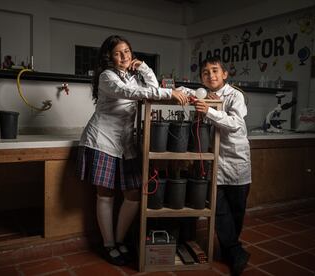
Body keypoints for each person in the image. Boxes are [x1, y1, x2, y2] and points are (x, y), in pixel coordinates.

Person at [77, 35, 188, 266]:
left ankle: (119, 239)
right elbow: (133, 94)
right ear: (109, 57)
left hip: (126, 143)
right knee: (105, 195)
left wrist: (145, 68)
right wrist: (170, 94)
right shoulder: (107, 77)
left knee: (134, 195)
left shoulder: (133, 76)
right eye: (118, 53)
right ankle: (109, 245)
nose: (124, 56)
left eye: (127, 51)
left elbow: (152, 89)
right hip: (102, 140)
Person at [193, 57, 251, 275]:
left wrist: (208, 110)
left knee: (237, 209)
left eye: (215, 71)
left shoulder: (236, 96)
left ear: (225, 74)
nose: (211, 75)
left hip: (236, 160)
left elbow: (236, 124)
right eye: (206, 73)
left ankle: (232, 250)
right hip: (215, 162)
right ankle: (235, 252)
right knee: (218, 209)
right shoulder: (202, 96)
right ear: (201, 78)